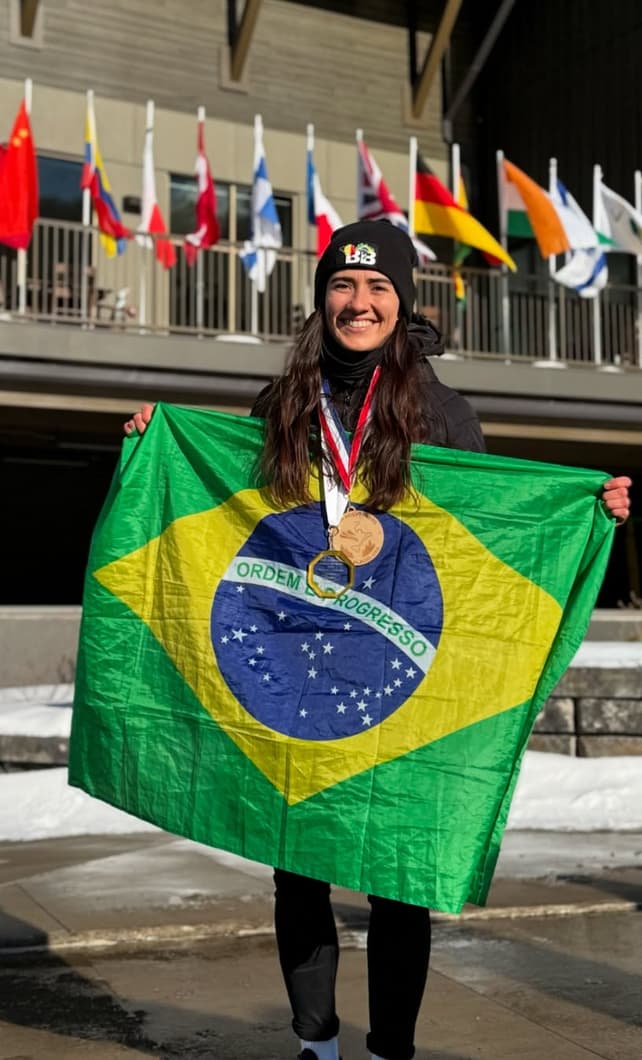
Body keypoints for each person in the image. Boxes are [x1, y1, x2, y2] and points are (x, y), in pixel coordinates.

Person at [124, 219, 632, 1060]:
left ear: (402, 303)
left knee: (397, 874)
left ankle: (390, 1047)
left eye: (377, 289)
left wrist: (590, 512)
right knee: (298, 863)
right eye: (342, 287)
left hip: (398, 658)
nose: (358, 304)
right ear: (324, 298)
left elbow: (484, 541)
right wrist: (159, 445)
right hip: (296, 661)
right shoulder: (284, 403)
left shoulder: (440, 412)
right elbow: (235, 518)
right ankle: (315, 1042)